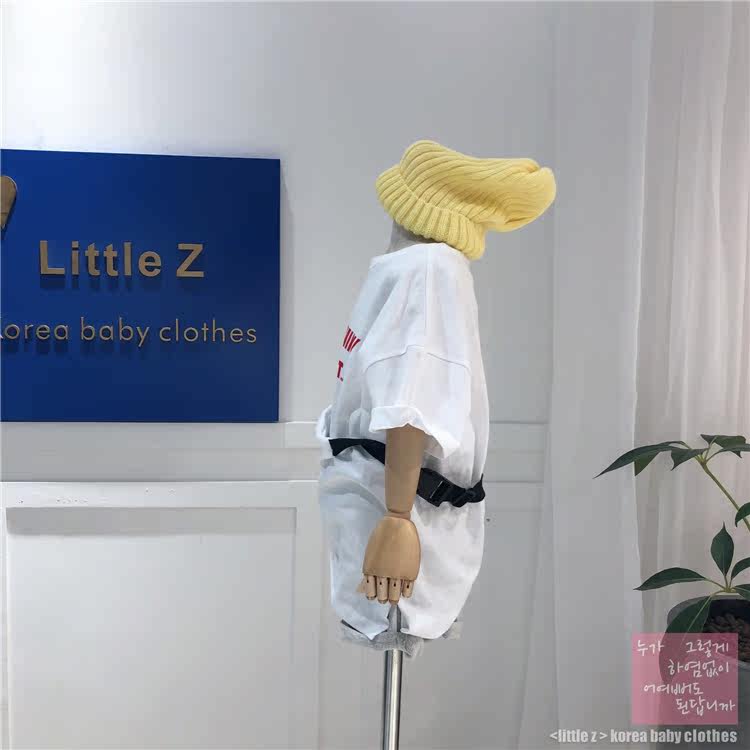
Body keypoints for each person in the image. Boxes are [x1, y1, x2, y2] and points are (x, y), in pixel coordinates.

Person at [315, 139, 556, 654]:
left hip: (397, 515)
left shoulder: (426, 270)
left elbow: (411, 400)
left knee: (392, 630)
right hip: (374, 502)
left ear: (421, 208)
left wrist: (398, 518)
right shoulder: (413, 270)